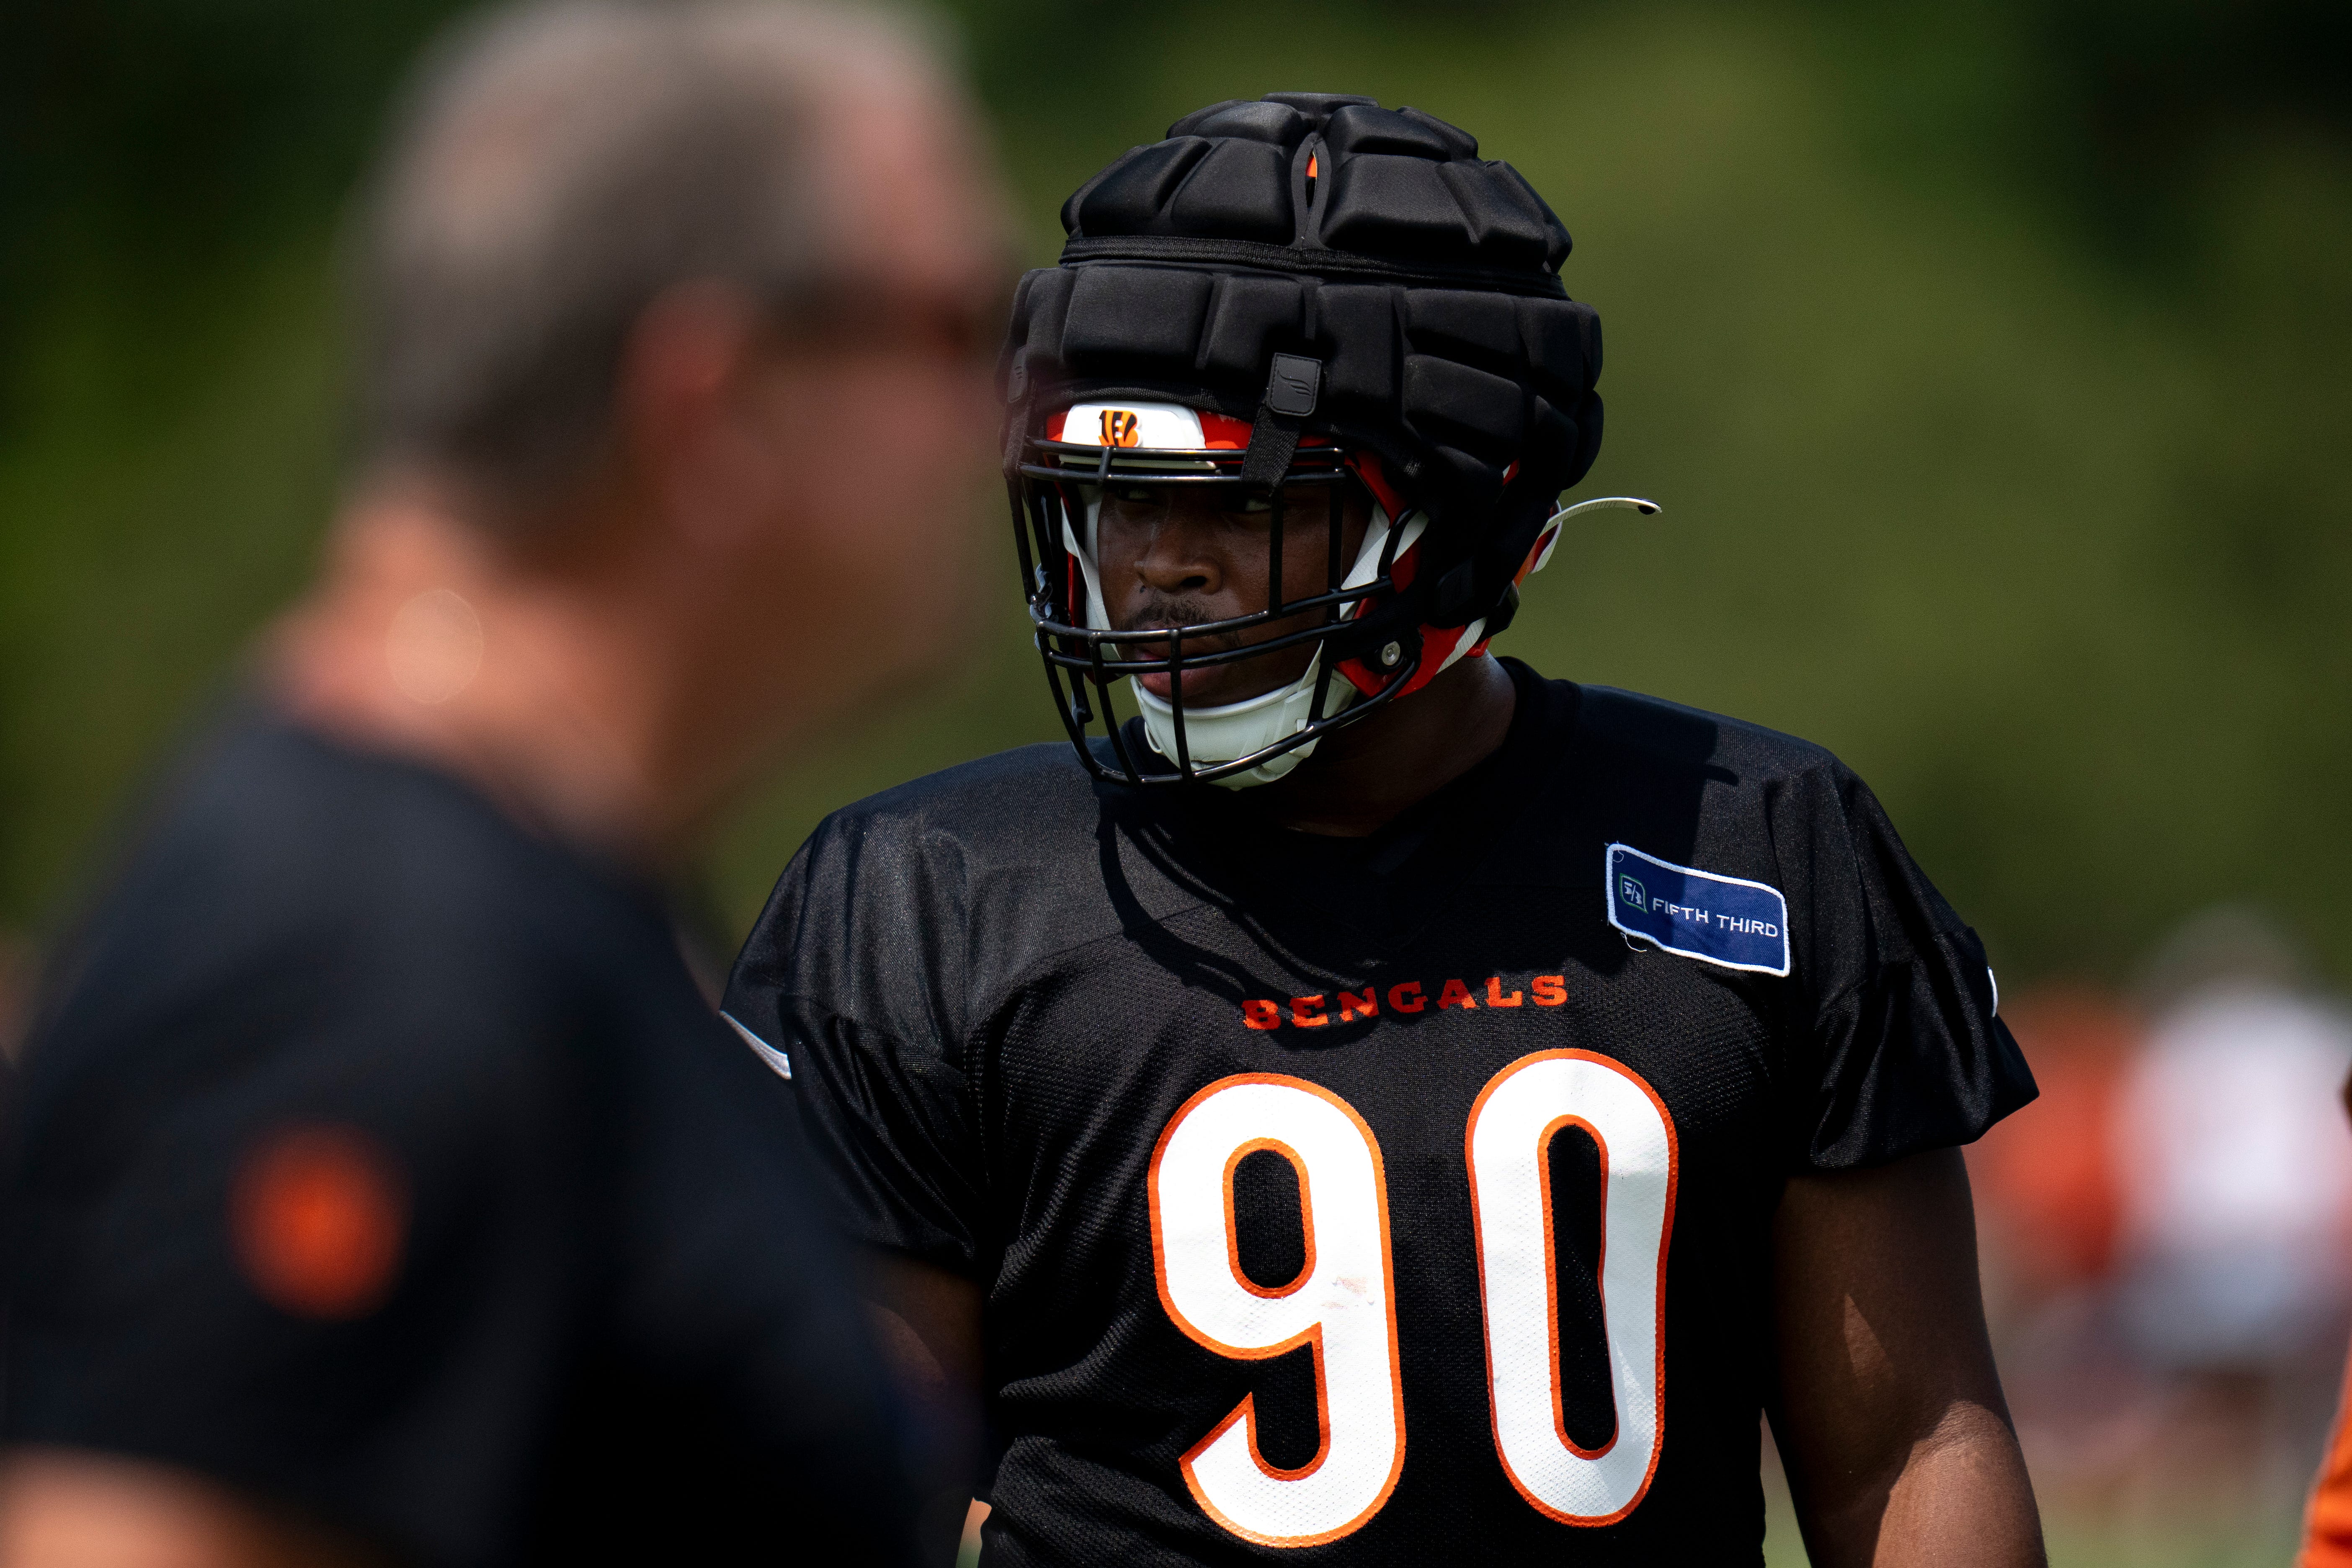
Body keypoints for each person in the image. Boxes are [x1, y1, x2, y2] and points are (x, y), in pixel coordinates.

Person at [725, 92, 2045, 1565]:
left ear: (1458, 522)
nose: (1153, 565)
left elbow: (1909, 1440)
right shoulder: (926, 899)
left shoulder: (1763, 846)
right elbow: (839, 1490)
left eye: (1235, 498)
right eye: (1113, 495)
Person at [0, 3, 1007, 1565]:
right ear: (716, 402)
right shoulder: (362, 962)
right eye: (958, 329)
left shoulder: (527, 885)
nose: (1004, 418)